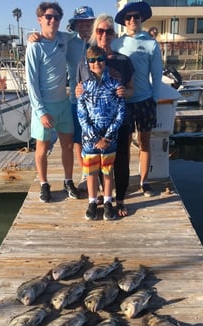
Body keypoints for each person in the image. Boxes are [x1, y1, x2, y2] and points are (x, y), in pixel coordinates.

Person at [76, 14, 135, 217]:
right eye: (100, 31)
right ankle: (98, 198)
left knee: (119, 162)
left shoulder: (123, 60)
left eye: (108, 31)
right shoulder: (85, 60)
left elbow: (130, 90)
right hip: (92, 129)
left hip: (117, 125)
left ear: (113, 34)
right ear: (95, 33)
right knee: (95, 166)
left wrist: (123, 92)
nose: (104, 35)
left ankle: (119, 200)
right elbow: (78, 89)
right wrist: (77, 91)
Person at [25, 2, 79, 203]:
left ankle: (68, 180)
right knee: (42, 148)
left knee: (67, 145)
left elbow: (80, 34)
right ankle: (44, 184)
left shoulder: (64, 38)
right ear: (40, 19)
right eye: (48, 17)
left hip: (63, 103)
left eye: (57, 17)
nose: (53, 20)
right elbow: (31, 83)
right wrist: (40, 111)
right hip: (44, 107)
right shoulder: (34, 46)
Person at [111, 1, 163, 197]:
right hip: (123, 102)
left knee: (144, 141)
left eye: (136, 16)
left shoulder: (151, 43)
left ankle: (144, 181)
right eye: (128, 17)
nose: (132, 20)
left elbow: (157, 75)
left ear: (141, 18)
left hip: (145, 100)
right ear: (124, 21)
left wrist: (155, 99)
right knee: (123, 144)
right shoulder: (116, 43)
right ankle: (122, 179)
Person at [77, 46, 125, 220]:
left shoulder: (115, 86)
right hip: (90, 140)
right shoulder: (83, 88)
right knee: (91, 172)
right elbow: (81, 115)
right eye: (92, 60)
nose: (96, 63)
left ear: (105, 61)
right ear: (88, 64)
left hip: (109, 139)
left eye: (99, 59)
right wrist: (95, 138)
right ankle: (92, 201)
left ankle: (107, 201)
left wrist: (107, 137)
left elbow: (121, 113)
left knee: (107, 171)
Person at [66, 6, 96, 191]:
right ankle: (85, 172)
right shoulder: (69, 43)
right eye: (81, 22)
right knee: (78, 139)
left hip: (97, 101)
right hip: (76, 101)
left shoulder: (100, 42)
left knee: (96, 137)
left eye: (88, 22)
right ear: (75, 25)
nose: (85, 25)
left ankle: (99, 172)